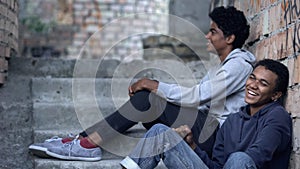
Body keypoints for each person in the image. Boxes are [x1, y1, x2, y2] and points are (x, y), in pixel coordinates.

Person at [29, 6, 256, 161]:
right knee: (147, 102)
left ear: (229, 38)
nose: (207, 36)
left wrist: (155, 85)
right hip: (204, 127)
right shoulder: (224, 64)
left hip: (215, 137)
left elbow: (198, 96)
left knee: (148, 99)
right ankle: (83, 140)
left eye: (213, 31)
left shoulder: (239, 65)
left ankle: (88, 145)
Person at [120, 59, 292, 169]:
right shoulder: (233, 120)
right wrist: (192, 145)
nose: (253, 85)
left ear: (275, 95)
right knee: (159, 131)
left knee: (239, 159)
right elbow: (216, 166)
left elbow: (259, 155)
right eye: (252, 78)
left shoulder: (277, 116)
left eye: (263, 83)